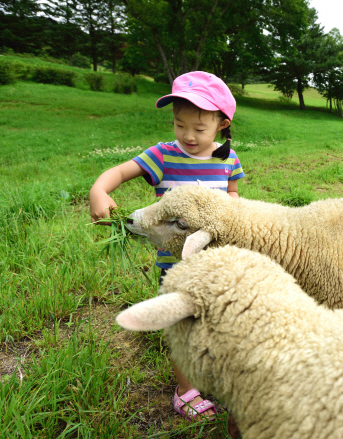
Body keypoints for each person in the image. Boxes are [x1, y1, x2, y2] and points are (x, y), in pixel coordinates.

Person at [89, 71, 244, 421]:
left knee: (217, 322)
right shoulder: (162, 156)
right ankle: (185, 390)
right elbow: (117, 173)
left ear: (222, 123)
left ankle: (214, 375)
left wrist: (232, 209)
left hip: (216, 260)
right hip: (174, 264)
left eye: (199, 129)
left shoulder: (228, 160)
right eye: (179, 125)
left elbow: (234, 194)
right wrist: (99, 190)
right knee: (184, 326)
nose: (188, 135)